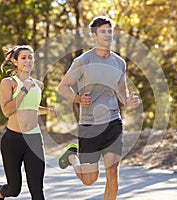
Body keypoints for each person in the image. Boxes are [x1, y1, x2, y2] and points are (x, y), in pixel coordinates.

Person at [57, 16, 140, 200]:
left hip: (113, 121)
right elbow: (63, 87)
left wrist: (127, 100)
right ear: (94, 35)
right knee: (89, 179)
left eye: (110, 31)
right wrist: (77, 98)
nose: (108, 35)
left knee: (112, 171)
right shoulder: (83, 61)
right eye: (103, 31)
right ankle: (72, 156)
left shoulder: (119, 62)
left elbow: (121, 89)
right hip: (89, 124)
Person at [0, 45, 56, 200]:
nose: (28, 61)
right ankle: (0, 192)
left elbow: (31, 108)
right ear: (15, 61)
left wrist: (47, 110)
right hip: (13, 140)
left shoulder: (39, 84)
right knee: (14, 189)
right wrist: (23, 90)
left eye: (30, 57)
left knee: (37, 190)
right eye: (23, 57)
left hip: (33, 139)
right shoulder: (8, 83)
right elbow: (7, 111)